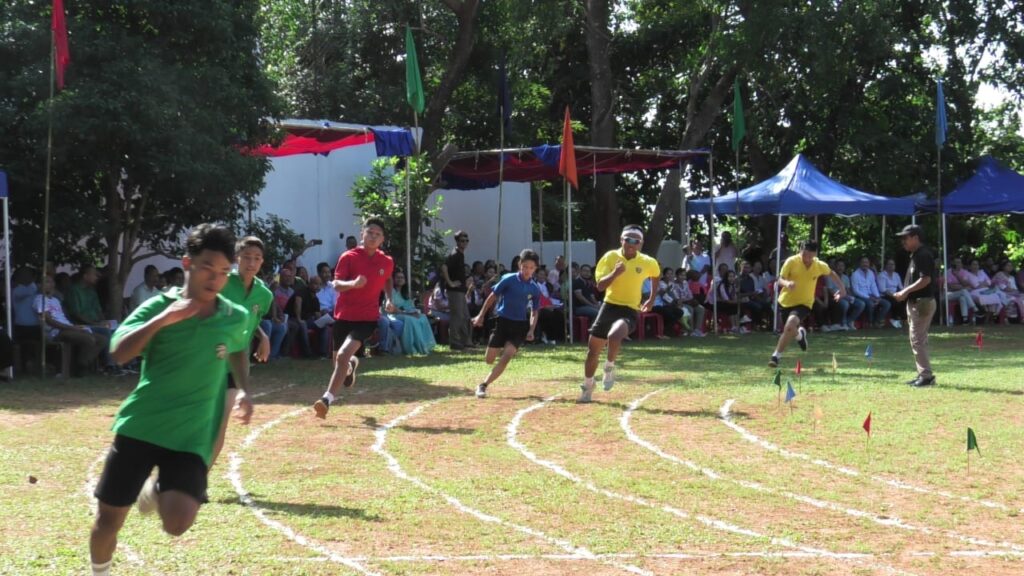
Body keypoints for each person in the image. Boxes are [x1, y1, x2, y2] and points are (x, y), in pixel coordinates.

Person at [88, 224, 252, 576]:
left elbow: (239, 349)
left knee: (177, 523)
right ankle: (99, 571)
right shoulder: (159, 306)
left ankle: (155, 490)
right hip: (143, 426)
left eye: (224, 272)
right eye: (208, 267)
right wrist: (164, 320)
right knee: (107, 522)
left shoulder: (233, 316)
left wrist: (244, 391)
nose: (215, 278)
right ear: (188, 263)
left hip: (191, 437)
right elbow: (118, 352)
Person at [313, 217, 395, 419]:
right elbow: (337, 285)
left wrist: (389, 299)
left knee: (342, 355)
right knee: (339, 362)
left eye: (378, 234)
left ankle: (326, 400)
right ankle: (351, 366)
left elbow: (388, 278)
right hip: (344, 316)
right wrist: (354, 284)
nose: (373, 237)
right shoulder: (348, 257)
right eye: (370, 233)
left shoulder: (386, 261)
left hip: (367, 318)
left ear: (382, 239)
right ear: (362, 234)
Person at [579, 225, 661, 403]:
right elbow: (600, 286)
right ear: (621, 240)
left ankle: (609, 367)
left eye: (635, 241)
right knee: (593, 350)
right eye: (627, 239)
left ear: (641, 244)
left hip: (630, 308)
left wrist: (652, 298)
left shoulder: (647, 261)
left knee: (614, 335)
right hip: (609, 306)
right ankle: (588, 386)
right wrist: (615, 273)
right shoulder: (610, 257)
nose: (631, 243)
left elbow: (656, 275)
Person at [212, 236, 273, 467]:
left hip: (235, 365)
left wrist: (262, 336)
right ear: (236, 259)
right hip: (208, 360)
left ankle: (199, 483)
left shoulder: (264, 295)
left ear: (262, 262)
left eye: (257, 258)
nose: (251, 262)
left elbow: (247, 320)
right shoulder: (223, 282)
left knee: (221, 423)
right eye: (246, 257)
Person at [471, 249, 541, 398]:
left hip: (519, 326)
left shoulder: (534, 288)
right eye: (525, 266)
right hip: (502, 322)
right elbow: (492, 296)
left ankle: (483, 385)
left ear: (535, 269)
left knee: (507, 355)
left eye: (531, 267)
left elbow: (535, 312)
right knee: (489, 360)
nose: (527, 270)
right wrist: (481, 315)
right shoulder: (508, 279)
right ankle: (495, 344)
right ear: (519, 264)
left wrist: (531, 330)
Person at [769, 241, 846, 368]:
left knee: (789, 326)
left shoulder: (819, 265)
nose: (807, 259)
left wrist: (842, 289)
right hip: (786, 301)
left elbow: (832, 274)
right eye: (804, 255)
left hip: (805, 303)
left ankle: (775, 357)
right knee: (790, 329)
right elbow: (779, 279)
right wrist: (787, 284)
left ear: (815, 254)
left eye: (810, 256)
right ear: (800, 251)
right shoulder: (791, 261)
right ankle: (800, 335)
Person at [34, 274, 109, 375]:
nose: (51, 284)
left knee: (102, 339)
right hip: (55, 331)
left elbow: (63, 318)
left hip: (67, 328)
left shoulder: (55, 300)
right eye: (47, 282)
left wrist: (74, 327)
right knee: (88, 339)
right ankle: (79, 369)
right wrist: (72, 328)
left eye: (52, 282)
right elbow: (49, 321)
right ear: (39, 285)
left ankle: (82, 364)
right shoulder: (39, 300)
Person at [892, 225, 936, 387]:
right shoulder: (917, 255)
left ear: (916, 238)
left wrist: (904, 292)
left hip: (921, 302)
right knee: (918, 339)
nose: (903, 241)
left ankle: (925, 376)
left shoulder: (923, 255)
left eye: (906, 237)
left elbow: (926, 279)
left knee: (917, 340)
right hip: (917, 302)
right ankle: (923, 374)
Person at [383, 270, 436, 355]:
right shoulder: (390, 291)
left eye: (402, 278)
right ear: (393, 279)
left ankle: (426, 345)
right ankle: (411, 347)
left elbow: (410, 306)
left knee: (423, 317)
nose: (400, 279)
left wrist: (414, 312)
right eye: (397, 277)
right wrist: (407, 313)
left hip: (405, 312)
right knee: (410, 320)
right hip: (393, 315)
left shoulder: (405, 293)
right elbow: (391, 309)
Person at [441, 231, 472, 350]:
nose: (464, 243)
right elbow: (444, 267)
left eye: (466, 240)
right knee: (457, 315)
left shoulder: (460, 255)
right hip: (454, 291)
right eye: (462, 241)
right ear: (457, 241)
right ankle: (454, 341)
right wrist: (450, 283)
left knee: (465, 316)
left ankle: (466, 341)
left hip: (460, 291)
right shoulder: (455, 254)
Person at [851, 256, 891, 328]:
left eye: (866, 262)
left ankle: (877, 321)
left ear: (869, 264)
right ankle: (870, 322)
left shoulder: (871, 273)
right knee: (870, 303)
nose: (865, 264)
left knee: (887, 304)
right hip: (861, 296)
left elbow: (873, 286)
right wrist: (869, 297)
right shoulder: (855, 274)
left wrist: (877, 297)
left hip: (872, 295)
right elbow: (856, 291)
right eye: (863, 262)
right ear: (860, 264)